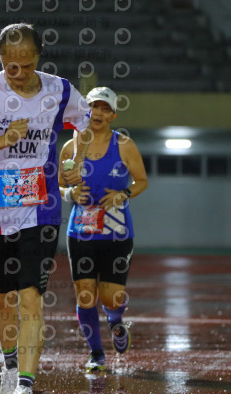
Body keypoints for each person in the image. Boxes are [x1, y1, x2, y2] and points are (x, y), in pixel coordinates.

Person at [0, 23, 92, 394]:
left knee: (31, 298)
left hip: (40, 209)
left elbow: (85, 124)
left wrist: (76, 159)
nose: (19, 73)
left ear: (38, 57)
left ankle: (24, 384)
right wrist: (2, 141)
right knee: (2, 300)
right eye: (11, 66)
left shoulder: (60, 90)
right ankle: (10, 364)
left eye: (27, 65)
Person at [58, 86, 148, 373]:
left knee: (111, 297)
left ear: (113, 116)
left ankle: (115, 320)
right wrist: (70, 194)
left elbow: (141, 180)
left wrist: (124, 194)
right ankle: (96, 353)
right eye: (93, 107)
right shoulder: (71, 147)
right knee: (85, 295)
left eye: (104, 109)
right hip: (81, 232)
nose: (97, 113)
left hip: (116, 232)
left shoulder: (124, 145)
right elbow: (58, 185)